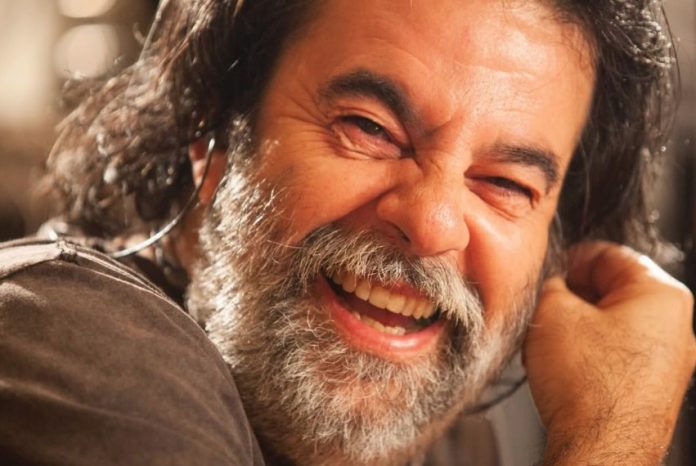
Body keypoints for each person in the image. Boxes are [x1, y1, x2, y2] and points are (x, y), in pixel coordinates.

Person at [1, 0, 694, 465]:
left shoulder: (443, 440)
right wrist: (613, 434)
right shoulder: (71, 341)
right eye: (369, 128)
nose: (432, 224)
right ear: (213, 138)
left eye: (506, 184)